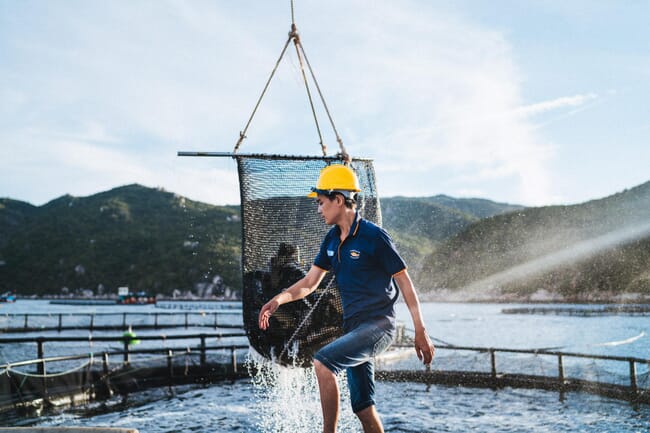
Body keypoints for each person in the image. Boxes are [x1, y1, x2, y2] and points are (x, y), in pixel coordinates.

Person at [259, 164, 435, 433]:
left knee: (323, 362)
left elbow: (405, 282)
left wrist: (420, 330)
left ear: (338, 200)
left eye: (321, 202)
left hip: (378, 327)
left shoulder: (374, 236)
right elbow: (309, 283)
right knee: (363, 407)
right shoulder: (331, 240)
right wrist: (279, 300)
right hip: (353, 330)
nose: (318, 209)